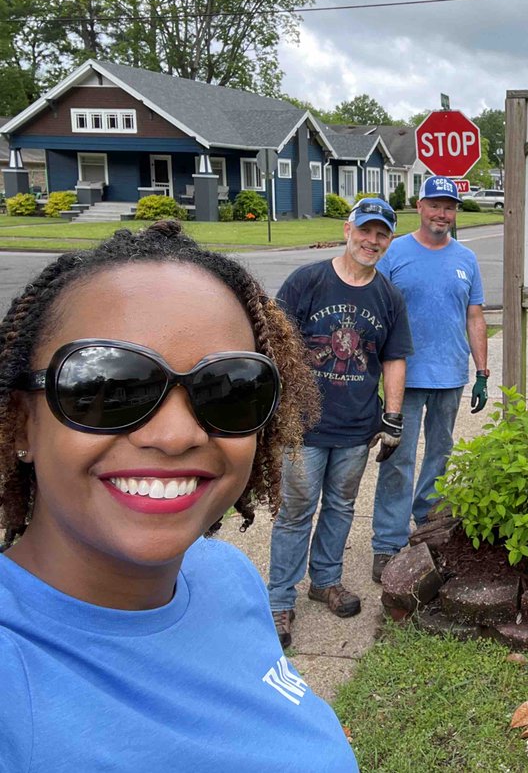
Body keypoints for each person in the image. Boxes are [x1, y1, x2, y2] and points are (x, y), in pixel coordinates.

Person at [0, 221, 358, 771]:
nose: (176, 435)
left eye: (230, 388)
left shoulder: (224, 573)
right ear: (22, 425)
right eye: (109, 389)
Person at [267, 197, 413, 648]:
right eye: (365, 230)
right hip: (303, 425)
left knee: (341, 506)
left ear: (389, 240)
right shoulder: (307, 281)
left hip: (355, 426)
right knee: (295, 510)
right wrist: (274, 410)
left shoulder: (387, 295)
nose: (371, 241)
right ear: (348, 229)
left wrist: (393, 418)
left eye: (381, 234)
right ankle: (278, 599)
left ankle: (325, 580)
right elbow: (272, 344)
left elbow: (393, 359)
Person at [370, 176, 488, 581]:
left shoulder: (466, 259)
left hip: (450, 373)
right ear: (419, 206)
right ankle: (386, 542)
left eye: (450, 207)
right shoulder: (395, 252)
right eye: (435, 205)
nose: (443, 214)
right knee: (397, 456)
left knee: (440, 452)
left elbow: (474, 316)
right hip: (403, 374)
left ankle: (426, 523)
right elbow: (375, 310)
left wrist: (483, 371)